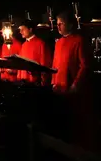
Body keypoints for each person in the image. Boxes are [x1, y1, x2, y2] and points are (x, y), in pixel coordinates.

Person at [52, 11, 96, 149]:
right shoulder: (58, 42)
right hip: (59, 88)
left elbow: (85, 65)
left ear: (70, 24)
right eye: (57, 24)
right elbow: (55, 65)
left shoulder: (79, 40)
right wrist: (53, 82)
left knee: (77, 123)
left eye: (61, 24)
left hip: (73, 89)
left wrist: (76, 84)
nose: (58, 27)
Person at [18, 20, 53, 84]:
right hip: (24, 81)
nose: (20, 32)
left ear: (30, 29)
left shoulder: (40, 43)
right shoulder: (23, 45)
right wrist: (19, 77)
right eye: (20, 30)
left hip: (36, 81)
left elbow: (44, 63)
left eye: (23, 29)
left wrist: (44, 79)